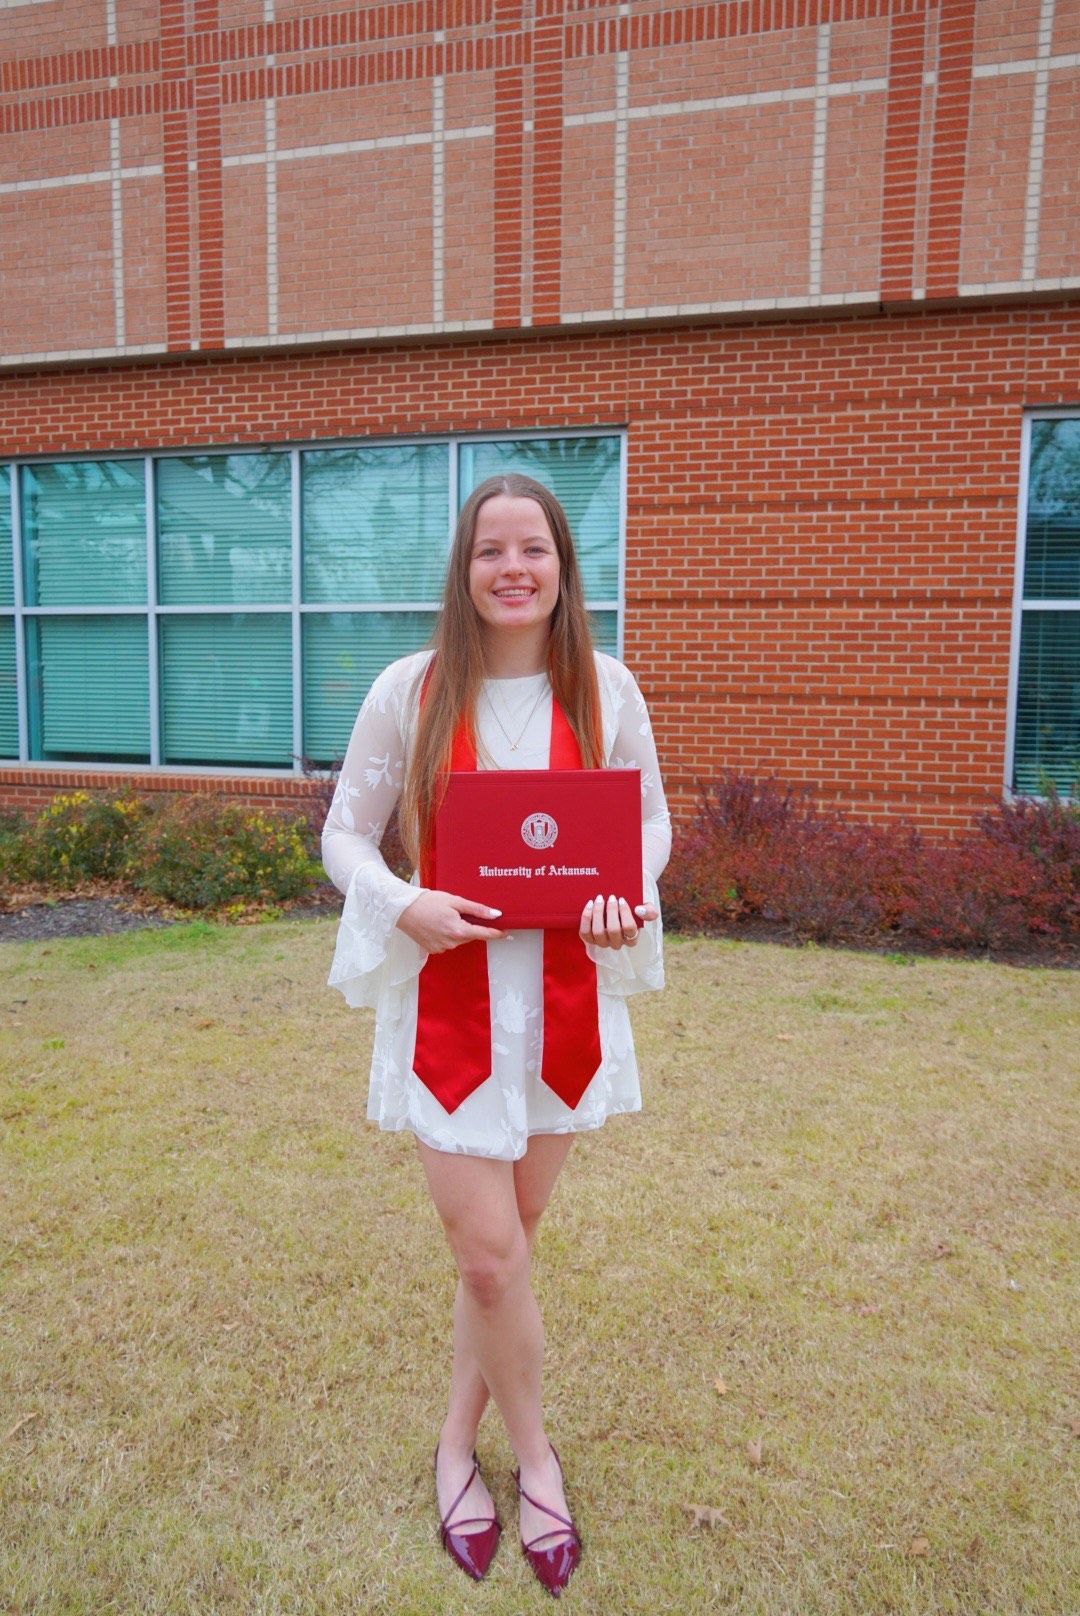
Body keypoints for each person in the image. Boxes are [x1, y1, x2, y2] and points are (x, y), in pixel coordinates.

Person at [321, 472, 671, 1596]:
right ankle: (535, 1459)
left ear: (563, 565)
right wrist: (402, 902)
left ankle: (449, 1443)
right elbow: (345, 834)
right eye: (490, 550)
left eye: (533, 549)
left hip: (561, 1002)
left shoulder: (605, 687)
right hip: (451, 1007)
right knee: (486, 1255)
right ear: (463, 569)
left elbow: (649, 822)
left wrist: (627, 891)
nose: (512, 568)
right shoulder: (411, 689)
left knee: (504, 1253)